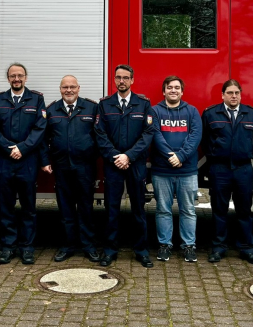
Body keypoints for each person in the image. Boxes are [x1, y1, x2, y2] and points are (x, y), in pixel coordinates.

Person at [94, 64, 156, 268]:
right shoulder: (104, 105)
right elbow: (100, 134)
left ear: (132, 80)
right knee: (112, 209)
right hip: (113, 165)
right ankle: (110, 250)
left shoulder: (143, 104)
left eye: (126, 78)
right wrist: (115, 156)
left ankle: (141, 250)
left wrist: (128, 156)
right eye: (118, 77)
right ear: (114, 80)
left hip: (135, 164)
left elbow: (148, 134)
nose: (122, 81)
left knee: (138, 209)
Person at [0, 63, 47, 265]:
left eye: (20, 75)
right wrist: (8, 148)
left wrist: (22, 148)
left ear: (26, 78)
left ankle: (27, 248)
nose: (16, 79)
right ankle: (8, 246)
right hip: (4, 161)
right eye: (13, 76)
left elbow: (40, 128)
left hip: (27, 161)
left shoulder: (37, 99)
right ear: (8, 78)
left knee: (29, 207)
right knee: (6, 207)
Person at [40, 75, 100, 263]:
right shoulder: (51, 110)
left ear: (78, 88)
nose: (69, 90)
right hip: (62, 167)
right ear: (60, 89)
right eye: (65, 87)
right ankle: (67, 246)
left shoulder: (92, 108)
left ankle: (89, 246)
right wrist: (45, 160)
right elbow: (42, 139)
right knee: (65, 209)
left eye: (72, 87)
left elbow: (100, 136)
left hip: (85, 167)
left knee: (86, 208)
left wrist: (92, 155)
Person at [201, 79, 253, 265]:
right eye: (230, 93)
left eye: (236, 93)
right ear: (222, 95)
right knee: (219, 210)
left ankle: (246, 248)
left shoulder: (251, 114)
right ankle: (219, 247)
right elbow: (204, 139)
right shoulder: (211, 114)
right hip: (219, 168)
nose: (233, 96)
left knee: (244, 210)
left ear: (240, 95)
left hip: (243, 168)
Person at [150, 76, 202, 263]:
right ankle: (165, 245)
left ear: (182, 91)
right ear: (164, 91)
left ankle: (189, 246)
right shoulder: (155, 111)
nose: (173, 90)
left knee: (188, 209)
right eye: (170, 87)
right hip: (161, 170)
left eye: (177, 88)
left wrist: (180, 157)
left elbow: (195, 136)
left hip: (187, 170)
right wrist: (170, 156)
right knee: (163, 210)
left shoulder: (192, 111)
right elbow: (155, 136)